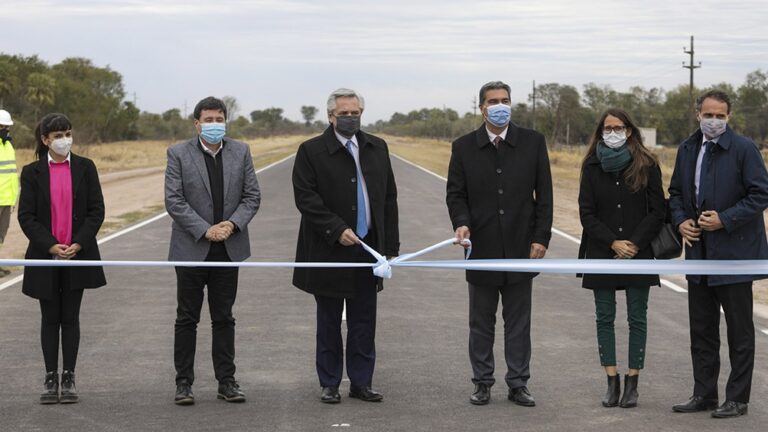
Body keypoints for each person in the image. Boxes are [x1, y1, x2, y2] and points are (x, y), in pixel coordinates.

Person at [446, 81, 553, 406]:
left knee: (518, 323)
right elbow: (455, 193)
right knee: (481, 323)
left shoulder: (532, 142)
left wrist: (540, 237)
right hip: (481, 249)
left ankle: (518, 383)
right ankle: (482, 382)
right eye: (493, 101)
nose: (500, 105)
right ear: (481, 107)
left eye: (505, 100)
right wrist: (461, 222)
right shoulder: (464, 147)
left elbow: (545, 195)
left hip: (522, 248)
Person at [292, 88, 399, 404]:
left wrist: (389, 245)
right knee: (328, 320)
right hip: (328, 248)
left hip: (369, 250)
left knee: (364, 320)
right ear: (330, 116)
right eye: (344, 114)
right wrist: (336, 228)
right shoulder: (311, 151)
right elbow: (306, 198)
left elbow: (388, 197)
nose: (350, 118)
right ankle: (329, 382)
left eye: (355, 113)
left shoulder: (377, 147)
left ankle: (361, 382)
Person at [669, 90, 768, 418]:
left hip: (734, 256)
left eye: (720, 115)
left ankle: (737, 399)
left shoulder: (744, 149)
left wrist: (724, 219)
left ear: (729, 117)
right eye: (708, 114)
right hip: (698, 254)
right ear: (698, 113)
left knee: (740, 331)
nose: (714, 121)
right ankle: (704, 394)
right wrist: (682, 220)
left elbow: (760, 193)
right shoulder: (687, 148)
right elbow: (677, 193)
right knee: (702, 329)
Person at [165, 96, 261, 405]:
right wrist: (205, 229)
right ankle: (184, 383)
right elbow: (174, 200)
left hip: (228, 248)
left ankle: (227, 381)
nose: (214, 125)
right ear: (196, 124)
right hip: (192, 247)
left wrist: (231, 225)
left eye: (219, 119)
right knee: (186, 318)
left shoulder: (241, 152)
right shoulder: (178, 153)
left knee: (224, 317)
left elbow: (251, 196)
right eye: (208, 120)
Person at [577, 109, 665, 408]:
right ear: (600, 131)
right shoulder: (590, 166)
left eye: (618, 127)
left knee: (637, 318)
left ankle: (632, 382)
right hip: (602, 251)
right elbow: (586, 213)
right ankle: (611, 381)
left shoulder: (648, 164)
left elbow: (657, 210)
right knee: (605, 317)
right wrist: (612, 242)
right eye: (607, 128)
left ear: (629, 130)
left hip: (638, 252)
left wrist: (634, 244)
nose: (612, 132)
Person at [17, 113, 106, 404]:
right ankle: (49, 376)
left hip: (78, 254)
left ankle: (69, 376)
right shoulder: (31, 172)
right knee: (49, 318)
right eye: (57, 135)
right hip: (46, 256)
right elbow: (26, 216)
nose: (64, 140)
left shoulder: (85, 167)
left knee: (70, 318)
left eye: (67, 133)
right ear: (45, 140)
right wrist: (52, 246)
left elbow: (96, 211)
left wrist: (78, 243)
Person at [0, 109, 20, 277]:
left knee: (1, 235)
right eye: (3, 126)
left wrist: (14, 197)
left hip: (7, 198)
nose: (6, 130)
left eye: (7, 127)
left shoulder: (7, 145)